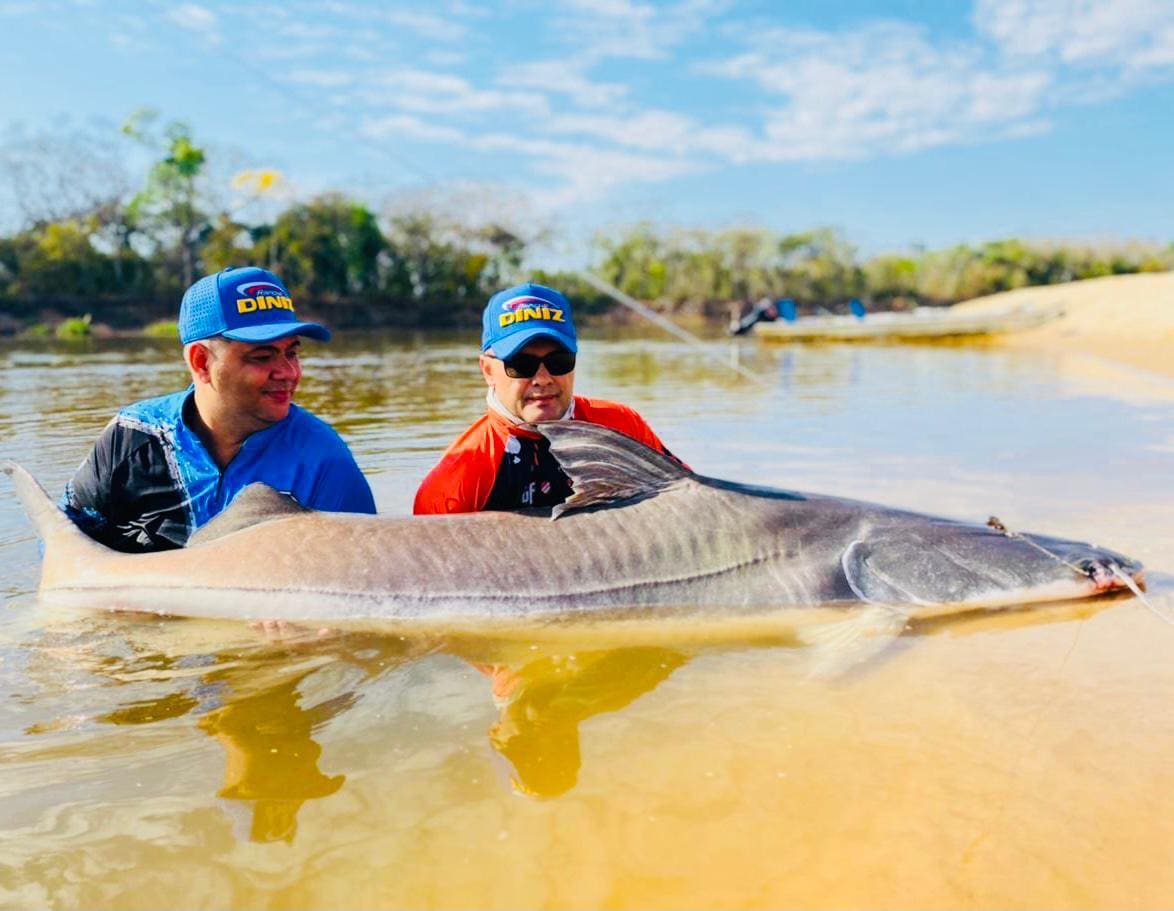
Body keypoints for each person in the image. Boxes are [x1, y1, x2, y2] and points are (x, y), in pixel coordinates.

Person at [63, 266, 375, 553]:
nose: (288, 373)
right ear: (201, 362)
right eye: (262, 357)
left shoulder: (323, 459)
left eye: (291, 353)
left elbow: (360, 572)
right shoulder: (133, 437)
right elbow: (63, 547)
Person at [413, 281, 679, 515]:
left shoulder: (621, 428)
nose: (543, 378)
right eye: (521, 364)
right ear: (488, 370)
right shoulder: (455, 480)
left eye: (559, 361)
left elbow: (687, 497)